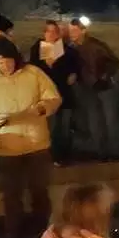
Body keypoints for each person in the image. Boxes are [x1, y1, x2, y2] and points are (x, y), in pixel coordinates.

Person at [0, 38, 61, 238]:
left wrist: (41, 109)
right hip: (7, 145)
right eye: (1, 62)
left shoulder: (33, 73)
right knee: (11, 194)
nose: (6, 66)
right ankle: (13, 234)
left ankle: (46, 232)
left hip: (36, 143)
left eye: (9, 61)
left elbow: (53, 97)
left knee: (40, 191)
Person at [68, 18, 119, 161]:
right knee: (94, 121)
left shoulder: (96, 45)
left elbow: (114, 62)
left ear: (83, 30)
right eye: (70, 30)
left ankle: (114, 151)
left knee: (110, 120)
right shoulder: (72, 48)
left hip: (104, 87)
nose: (71, 33)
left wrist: (104, 76)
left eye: (74, 30)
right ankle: (101, 152)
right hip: (87, 88)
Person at [29, 20, 80, 165]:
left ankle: (63, 156)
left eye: (54, 31)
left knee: (64, 127)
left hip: (63, 93)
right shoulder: (37, 49)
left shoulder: (68, 51)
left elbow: (75, 67)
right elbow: (32, 69)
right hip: (46, 94)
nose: (51, 34)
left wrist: (73, 74)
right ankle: (48, 155)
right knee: (50, 126)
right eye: (48, 31)